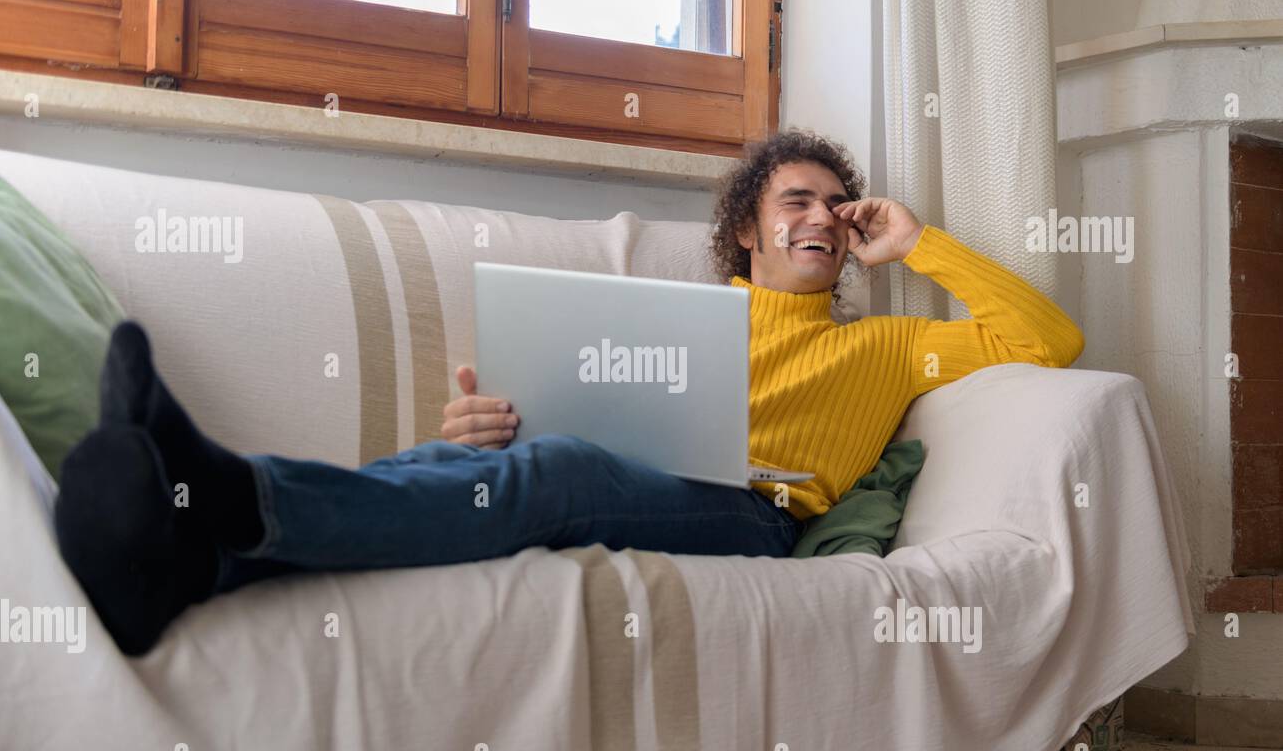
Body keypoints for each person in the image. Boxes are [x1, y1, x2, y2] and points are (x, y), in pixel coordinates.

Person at [54, 130, 1084, 656]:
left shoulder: (892, 346)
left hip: (756, 512)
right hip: (625, 473)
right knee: (468, 459)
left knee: (558, 469)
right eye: (793, 201)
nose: (818, 217)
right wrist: (487, 424)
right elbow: (576, 436)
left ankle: (225, 488)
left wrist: (918, 243)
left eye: (835, 206)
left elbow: (1048, 340)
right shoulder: (667, 319)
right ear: (745, 229)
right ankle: (190, 554)